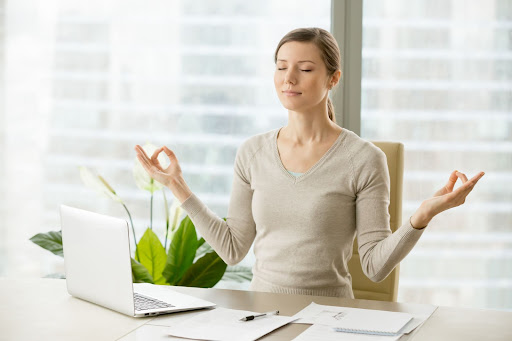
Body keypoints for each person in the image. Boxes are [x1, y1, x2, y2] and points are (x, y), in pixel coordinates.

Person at [134, 27, 485, 298]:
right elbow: (232, 249)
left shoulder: (364, 159)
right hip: (261, 317)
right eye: (281, 67)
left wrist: (422, 215)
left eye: (304, 69)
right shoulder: (252, 152)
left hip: (329, 318)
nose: (289, 78)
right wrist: (176, 186)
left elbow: (375, 267)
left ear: (333, 79)